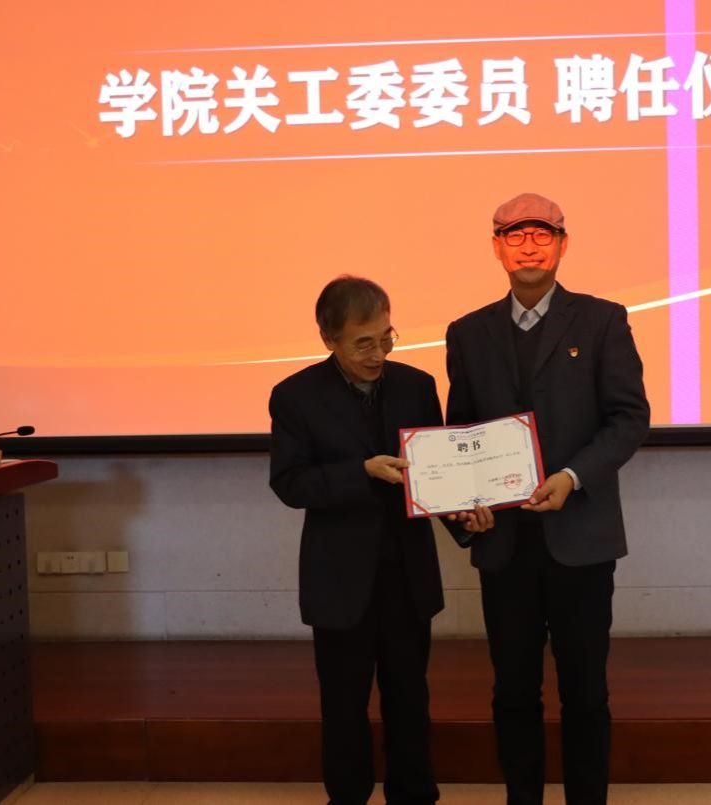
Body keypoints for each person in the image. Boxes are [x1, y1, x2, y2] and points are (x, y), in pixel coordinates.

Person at [444, 193, 650, 805]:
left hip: (580, 539)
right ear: (496, 247)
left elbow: (629, 418)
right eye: (514, 235)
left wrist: (572, 475)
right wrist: (463, 506)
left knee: (585, 691)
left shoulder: (603, 321)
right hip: (504, 543)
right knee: (513, 692)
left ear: (563, 244)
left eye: (542, 235)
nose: (528, 247)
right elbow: (460, 434)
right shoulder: (468, 332)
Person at [269, 275, 446, 805]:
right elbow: (290, 483)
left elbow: (436, 471)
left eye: (387, 338)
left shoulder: (417, 386)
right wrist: (361, 472)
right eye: (363, 344)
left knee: (410, 700)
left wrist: (466, 511)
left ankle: (414, 795)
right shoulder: (295, 396)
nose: (378, 354)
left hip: (407, 575)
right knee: (344, 706)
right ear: (329, 339)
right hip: (339, 582)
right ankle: (347, 797)